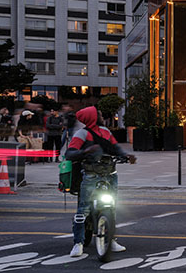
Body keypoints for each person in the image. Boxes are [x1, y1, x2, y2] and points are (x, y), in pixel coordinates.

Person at [63, 105, 136, 258]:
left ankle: (111, 239)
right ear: (92, 117)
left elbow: (116, 148)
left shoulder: (106, 132)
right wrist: (85, 152)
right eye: (99, 114)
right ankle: (78, 243)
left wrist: (126, 155)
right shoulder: (82, 134)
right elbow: (69, 153)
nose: (102, 117)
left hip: (110, 173)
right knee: (83, 209)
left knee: (112, 208)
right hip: (91, 175)